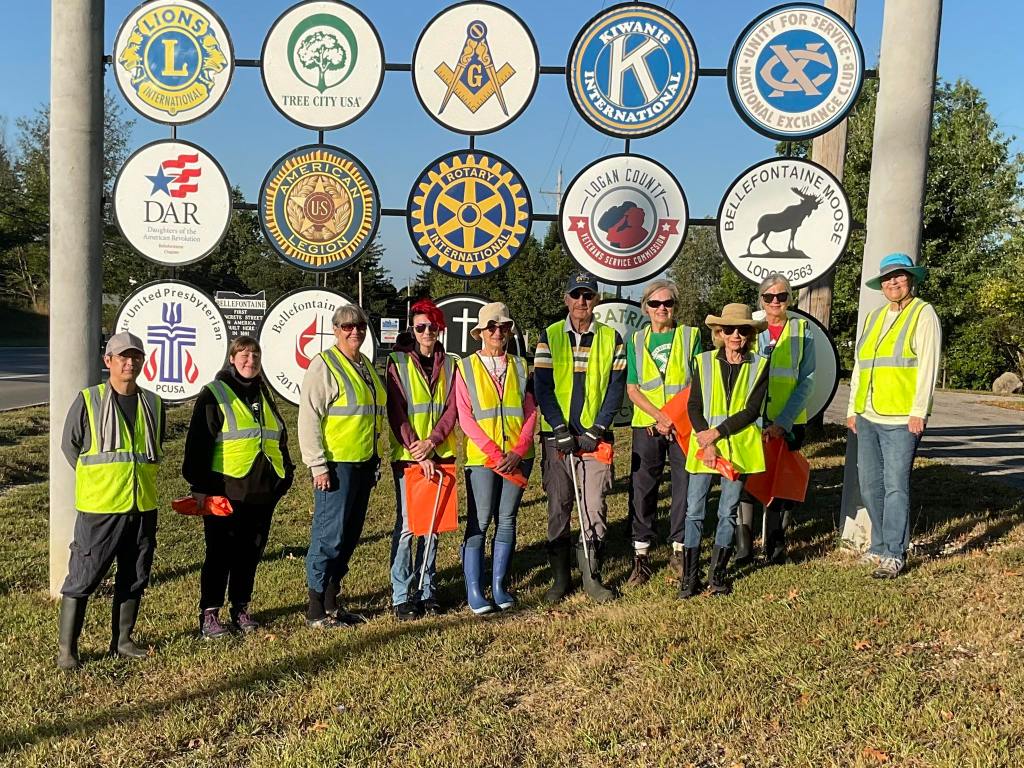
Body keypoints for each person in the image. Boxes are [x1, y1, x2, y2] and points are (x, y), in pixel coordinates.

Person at [57, 332, 166, 670]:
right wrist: (99, 481)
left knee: (134, 574)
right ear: (108, 361)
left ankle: (123, 641)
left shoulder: (153, 403)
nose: (129, 363)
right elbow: (70, 446)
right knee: (84, 577)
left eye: (136, 357)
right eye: (122, 357)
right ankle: (67, 651)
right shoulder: (89, 400)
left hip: (142, 505)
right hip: (100, 508)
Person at [182, 336, 295, 639]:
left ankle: (241, 608)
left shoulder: (263, 392)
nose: (250, 360)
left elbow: (278, 435)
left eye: (255, 355)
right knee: (219, 554)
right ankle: (209, 614)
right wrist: (199, 485)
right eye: (243, 355)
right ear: (231, 359)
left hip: (262, 491)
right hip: (225, 489)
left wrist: (286, 474)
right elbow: (198, 442)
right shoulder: (215, 393)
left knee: (250, 553)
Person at [534, 271, 627, 603]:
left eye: (588, 295)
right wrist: (559, 428)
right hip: (556, 439)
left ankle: (591, 576)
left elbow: (616, 389)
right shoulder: (550, 336)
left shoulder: (612, 338)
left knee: (594, 506)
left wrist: (596, 429)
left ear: (596, 299)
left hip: (594, 439)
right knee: (559, 506)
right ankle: (560, 579)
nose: (582, 301)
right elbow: (542, 387)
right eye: (576, 295)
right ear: (566, 299)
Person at [847, 252, 941, 579]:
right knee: (870, 485)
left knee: (895, 486)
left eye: (899, 276)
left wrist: (919, 411)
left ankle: (894, 552)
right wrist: (852, 409)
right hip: (868, 415)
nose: (893, 282)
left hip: (901, 418)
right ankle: (878, 546)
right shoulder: (873, 318)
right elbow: (861, 365)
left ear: (910, 279)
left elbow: (928, 365)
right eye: (888, 278)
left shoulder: (923, 314)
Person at [298, 304, 386, 626]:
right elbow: (309, 417)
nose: (354, 332)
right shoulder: (324, 365)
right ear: (335, 330)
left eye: (359, 326)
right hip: (336, 466)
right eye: (347, 327)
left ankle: (333, 601)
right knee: (329, 535)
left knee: (349, 535)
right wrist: (317, 465)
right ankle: (315, 607)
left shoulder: (365, 365)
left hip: (363, 463)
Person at [681, 304, 769, 599]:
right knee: (694, 511)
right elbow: (694, 406)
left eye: (742, 330)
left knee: (727, 512)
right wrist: (707, 443)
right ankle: (689, 578)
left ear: (750, 334)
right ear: (719, 332)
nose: (735, 335)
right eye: (729, 329)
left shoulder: (760, 365)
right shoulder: (703, 361)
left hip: (737, 450)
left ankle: (717, 575)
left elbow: (753, 410)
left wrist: (716, 434)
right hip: (704, 450)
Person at [455, 302, 537, 614]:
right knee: (479, 520)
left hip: (518, 456)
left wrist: (518, 450)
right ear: (481, 332)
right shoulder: (466, 367)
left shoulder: (520, 365)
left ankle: (500, 586)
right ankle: (475, 590)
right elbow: (465, 417)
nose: (497, 332)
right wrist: (494, 453)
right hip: (483, 459)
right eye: (491, 326)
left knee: (507, 518)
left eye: (503, 326)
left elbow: (530, 411)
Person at [735, 274, 816, 565]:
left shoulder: (802, 329)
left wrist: (783, 421)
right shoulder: (750, 328)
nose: (775, 302)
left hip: (789, 421)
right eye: (769, 296)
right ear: (761, 300)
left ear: (789, 299)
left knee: (781, 483)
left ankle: (775, 548)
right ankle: (743, 549)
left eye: (781, 296)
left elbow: (807, 379)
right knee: (746, 481)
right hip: (752, 420)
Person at [386, 299, 458, 621]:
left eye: (432, 326)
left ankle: (426, 590)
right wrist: (417, 448)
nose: (427, 332)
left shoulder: (452, 364)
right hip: (409, 457)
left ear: (440, 328)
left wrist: (432, 443)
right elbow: (396, 409)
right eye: (420, 327)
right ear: (412, 330)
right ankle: (402, 595)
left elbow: (452, 409)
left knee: (432, 527)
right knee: (407, 526)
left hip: (440, 453)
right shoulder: (397, 362)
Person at [624, 279, 700, 586]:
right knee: (643, 489)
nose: (661, 308)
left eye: (667, 303)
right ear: (645, 308)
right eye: (655, 303)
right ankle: (641, 555)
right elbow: (632, 388)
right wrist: (659, 416)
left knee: (683, 486)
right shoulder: (635, 340)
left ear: (675, 306)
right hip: (648, 425)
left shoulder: (690, 336)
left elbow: (697, 383)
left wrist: (673, 417)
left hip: (682, 426)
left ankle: (679, 550)